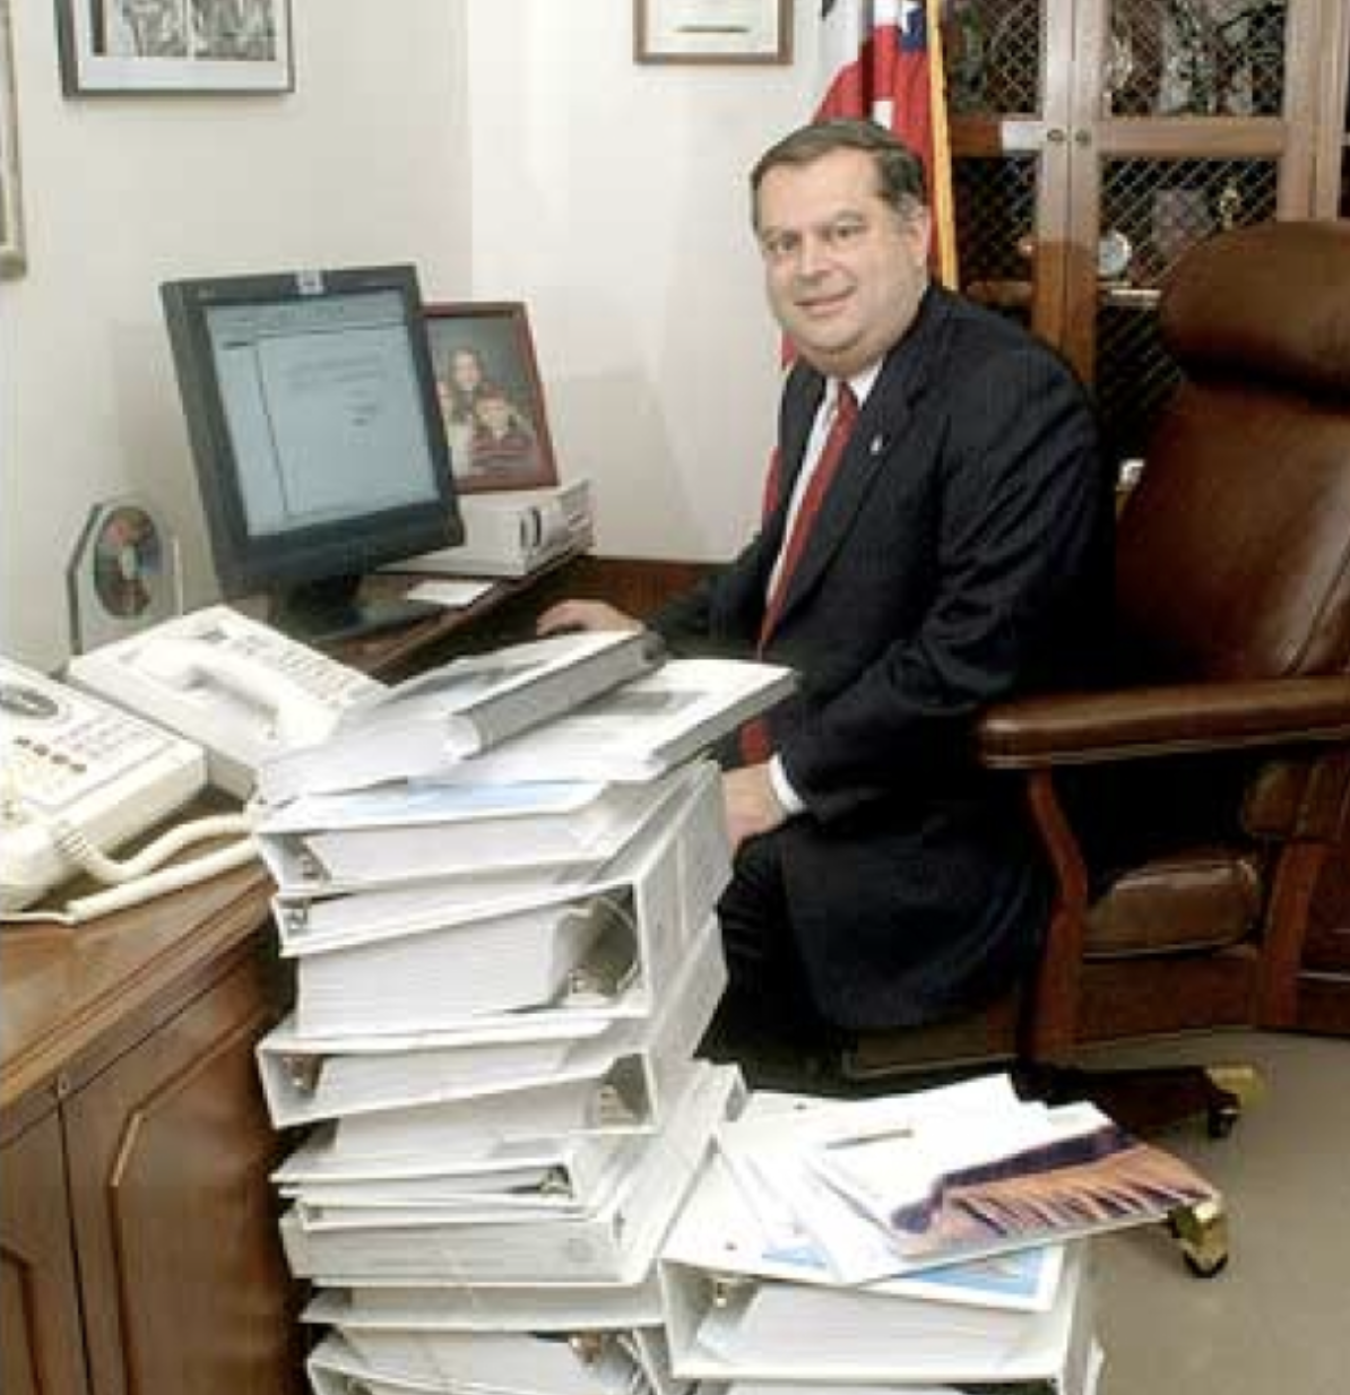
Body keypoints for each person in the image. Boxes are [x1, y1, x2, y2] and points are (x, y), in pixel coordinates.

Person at [538, 118, 1114, 1046]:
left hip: (954, 811)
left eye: (842, 231)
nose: (812, 268)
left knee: (677, 908)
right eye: (784, 243)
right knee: (586, 824)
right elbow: (775, 568)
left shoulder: (1009, 394)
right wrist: (643, 644)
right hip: (840, 750)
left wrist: (776, 787)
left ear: (914, 233)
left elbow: (971, 654)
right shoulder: (823, 380)